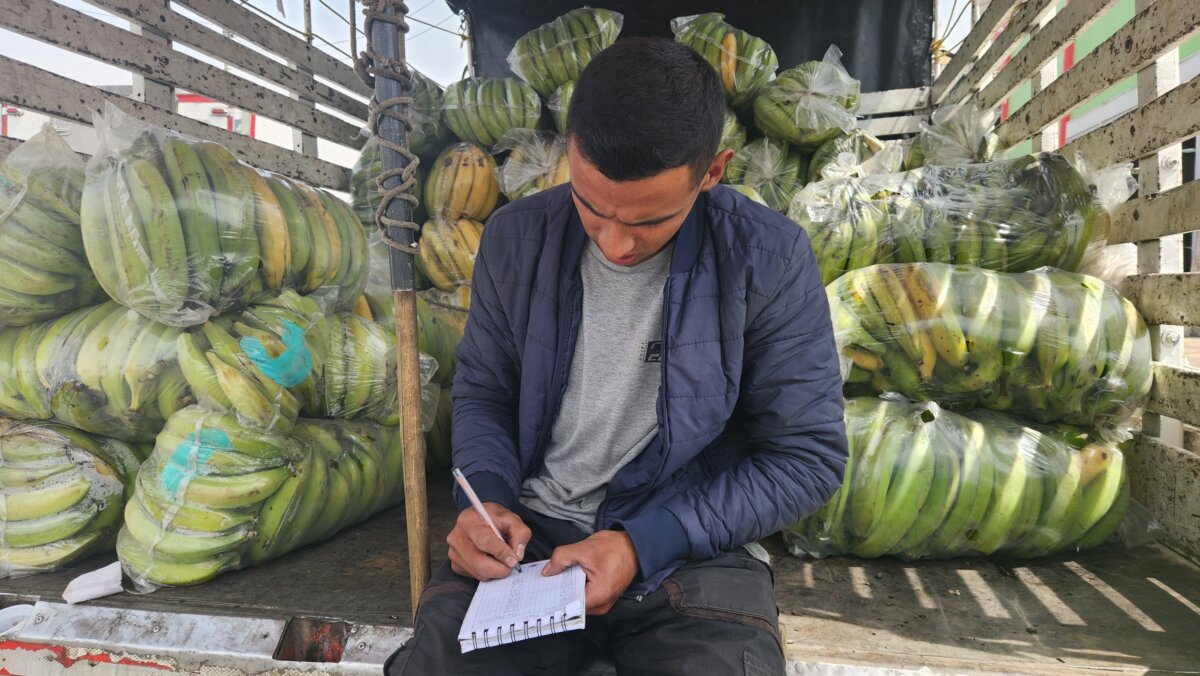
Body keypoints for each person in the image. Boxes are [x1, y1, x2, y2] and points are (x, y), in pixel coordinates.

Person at [386, 37, 847, 675]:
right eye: (591, 207)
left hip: (689, 546)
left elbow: (806, 459)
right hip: (532, 541)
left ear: (713, 172)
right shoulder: (516, 237)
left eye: (650, 221)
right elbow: (486, 391)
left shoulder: (769, 258)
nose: (615, 243)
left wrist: (641, 544)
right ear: (570, 155)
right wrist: (485, 504)